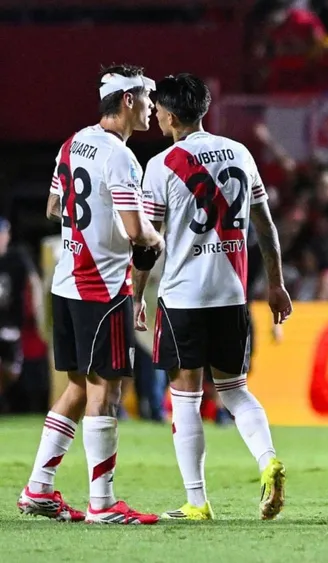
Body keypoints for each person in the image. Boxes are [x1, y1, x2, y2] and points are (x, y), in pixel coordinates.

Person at [136, 73, 292, 521]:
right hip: (232, 294)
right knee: (235, 390)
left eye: (159, 109)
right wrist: (276, 284)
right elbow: (265, 224)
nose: (158, 116)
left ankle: (197, 501)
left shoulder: (163, 164)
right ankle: (268, 460)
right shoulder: (240, 153)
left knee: (184, 398)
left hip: (185, 296)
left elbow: (148, 242)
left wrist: (137, 294)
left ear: (168, 114)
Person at [18, 64, 164, 525]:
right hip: (101, 287)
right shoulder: (120, 157)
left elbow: (54, 206)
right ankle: (103, 502)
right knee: (107, 390)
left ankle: (38, 488)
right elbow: (137, 231)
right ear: (127, 100)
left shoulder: (71, 144)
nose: (150, 107)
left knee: (80, 387)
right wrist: (157, 240)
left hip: (66, 281)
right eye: (146, 98)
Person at [0, 217, 43, 404]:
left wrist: (37, 308)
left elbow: (34, 281)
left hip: (12, 323)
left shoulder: (17, 256)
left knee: (12, 370)